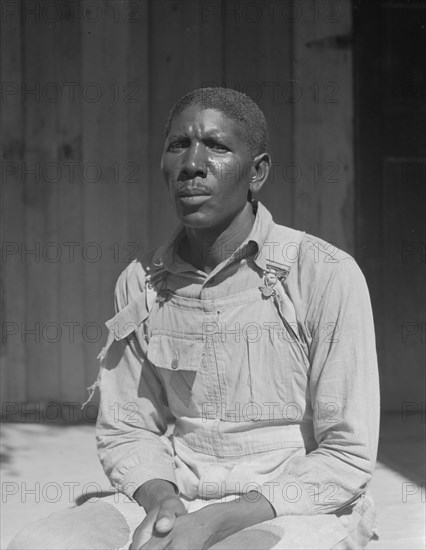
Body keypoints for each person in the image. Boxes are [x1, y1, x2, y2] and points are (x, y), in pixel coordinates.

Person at [8, 87, 380, 550]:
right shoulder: (142, 282)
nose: (192, 164)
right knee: (43, 543)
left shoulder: (324, 274)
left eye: (217, 147)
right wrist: (161, 500)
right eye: (178, 145)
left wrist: (222, 520)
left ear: (257, 173)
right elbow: (128, 427)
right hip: (182, 495)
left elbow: (346, 454)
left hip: (291, 502)